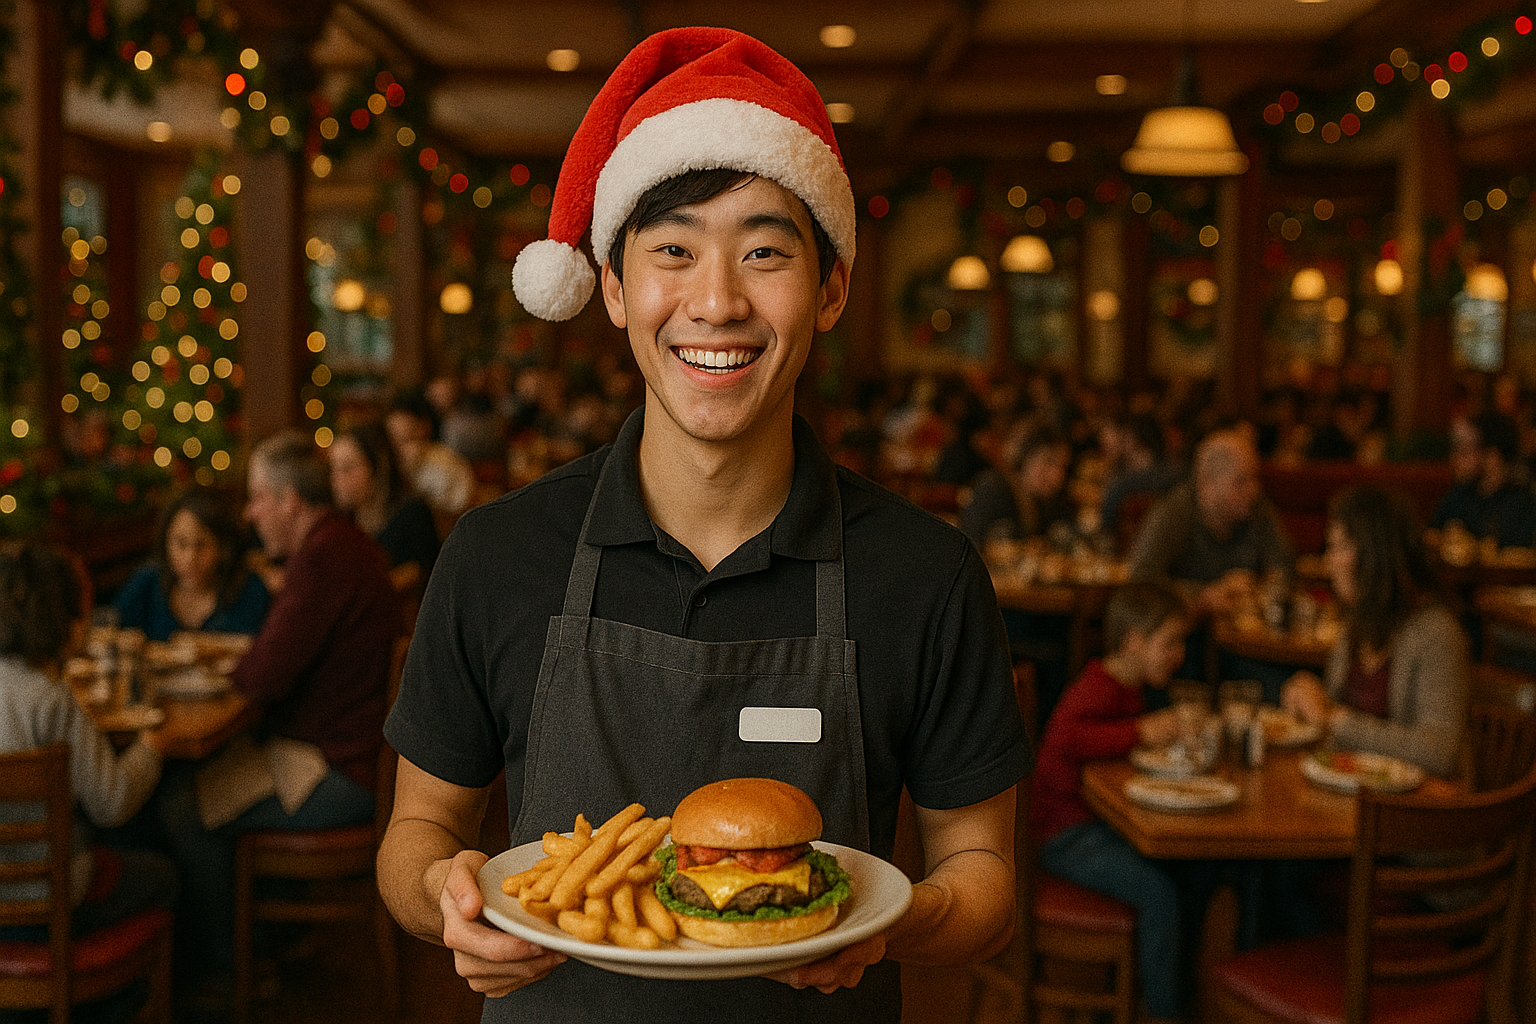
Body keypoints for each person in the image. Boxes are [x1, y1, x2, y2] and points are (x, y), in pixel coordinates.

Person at [377, 27, 1029, 1024]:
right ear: (613, 286)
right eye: (674, 250)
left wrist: (882, 928)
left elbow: (979, 870)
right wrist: (446, 901)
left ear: (831, 289)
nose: (717, 301)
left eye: (765, 251)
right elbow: (416, 831)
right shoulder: (496, 553)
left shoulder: (926, 572)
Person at [152, 431, 401, 997]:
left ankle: (228, 974)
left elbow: (263, 678)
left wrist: (234, 664)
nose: (249, 512)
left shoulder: (324, 557)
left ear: (290, 499)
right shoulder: (339, 545)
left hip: (342, 771)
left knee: (179, 807)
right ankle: (265, 943)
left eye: (258, 496)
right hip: (352, 751)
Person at [0, 543, 178, 1021]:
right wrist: (151, 748)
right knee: (161, 874)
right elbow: (113, 802)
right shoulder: (51, 699)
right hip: (45, 900)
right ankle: (113, 1006)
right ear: (65, 621)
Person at [1032, 581, 1212, 1024]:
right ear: (1133, 642)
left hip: (1093, 823)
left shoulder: (1126, 686)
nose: (1180, 654)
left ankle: (1172, 990)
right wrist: (1142, 732)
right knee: (1160, 894)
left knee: (1195, 872)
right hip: (1062, 834)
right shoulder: (1098, 686)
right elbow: (1067, 737)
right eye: (1170, 642)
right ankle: (1166, 1012)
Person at [1283, 485, 1470, 779]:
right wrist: (1311, 699)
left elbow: (1439, 752)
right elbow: (1333, 722)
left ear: (1376, 554)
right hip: (1356, 794)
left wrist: (1335, 720)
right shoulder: (1356, 627)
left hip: (1419, 808)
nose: (1328, 561)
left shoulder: (1436, 633)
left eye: (1339, 547)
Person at [1127, 427, 1295, 701]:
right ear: (1206, 483)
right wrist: (1203, 598)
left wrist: (1262, 588)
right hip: (1187, 649)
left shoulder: (1257, 509)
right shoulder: (1174, 514)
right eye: (1240, 482)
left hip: (1244, 645)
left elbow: (1285, 565)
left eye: (1254, 479)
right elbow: (1140, 586)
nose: (1253, 490)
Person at [113, 488, 270, 642]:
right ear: (165, 543)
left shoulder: (250, 590)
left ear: (223, 548)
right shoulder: (146, 583)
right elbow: (110, 632)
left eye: (201, 544)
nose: (190, 558)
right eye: (181, 544)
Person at [329, 421, 441, 577]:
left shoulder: (413, 515)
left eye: (348, 468)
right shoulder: (340, 520)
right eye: (333, 468)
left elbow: (427, 579)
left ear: (379, 468)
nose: (336, 478)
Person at [1427, 409, 1536, 550]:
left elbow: (1514, 556)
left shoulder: (1520, 504)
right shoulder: (1459, 494)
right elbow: (1430, 534)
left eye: (1469, 448)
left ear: (1492, 455)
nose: (1458, 457)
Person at [959, 422, 1074, 550]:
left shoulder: (1048, 502)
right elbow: (970, 545)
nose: (1057, 476)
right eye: (1048, 462)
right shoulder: (993, 489)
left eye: (1063, 467)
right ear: (1024, 457)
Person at [385, 390, 478, 520]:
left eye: (407, 439)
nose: (400, 449)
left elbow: (442, 518)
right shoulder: (388, 462)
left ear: (424, 428)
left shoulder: (444, 465)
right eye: (394, 440)